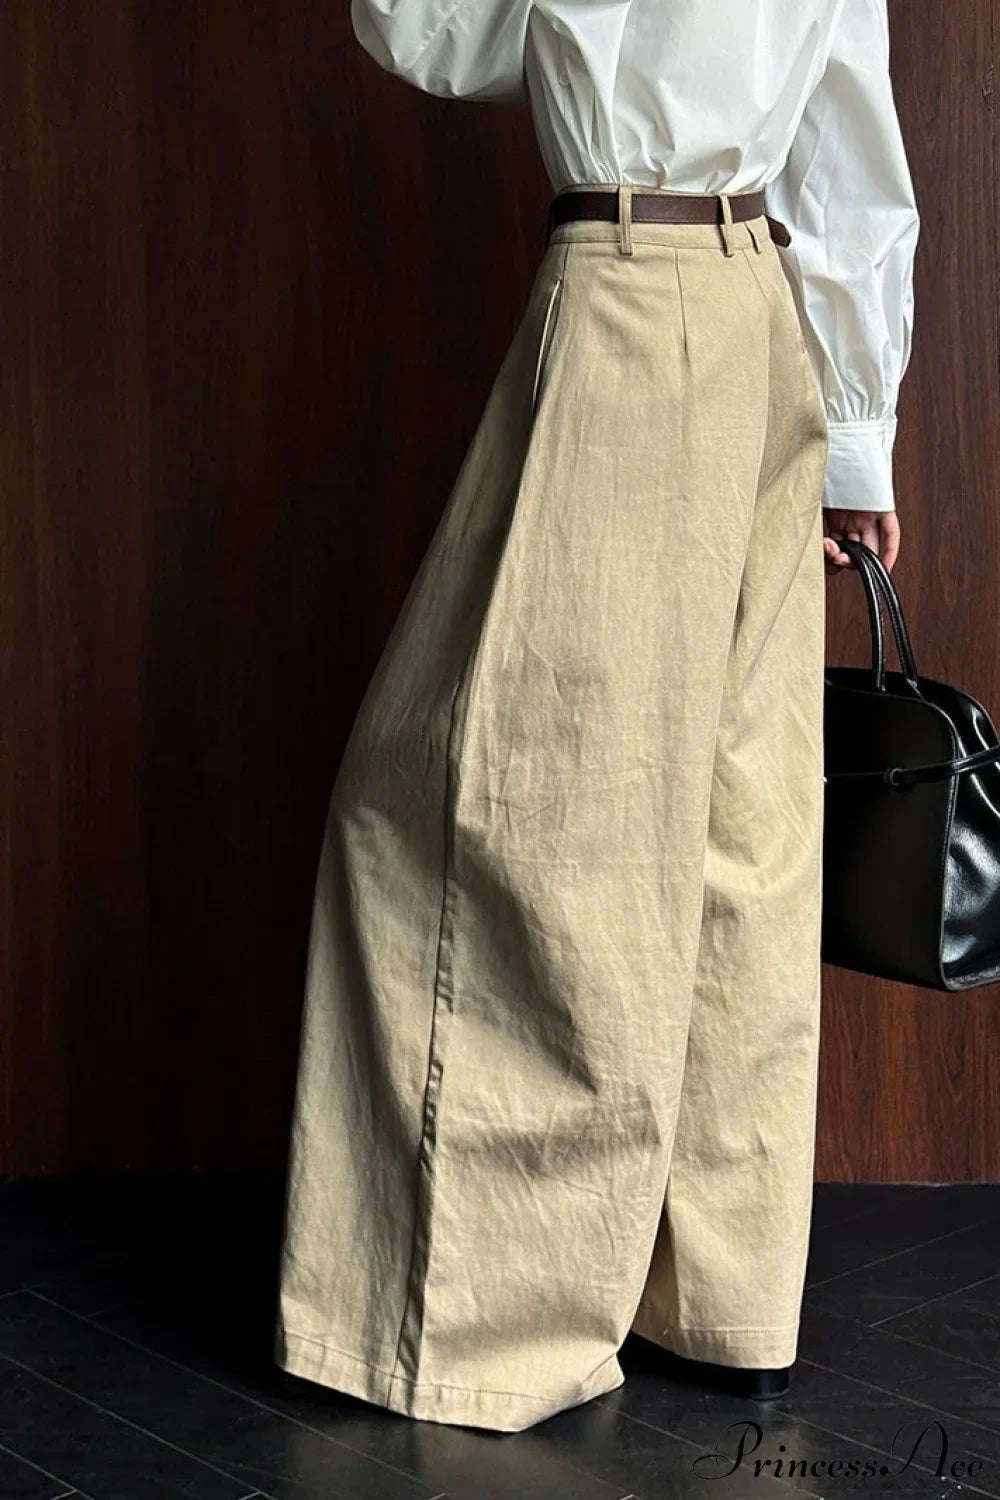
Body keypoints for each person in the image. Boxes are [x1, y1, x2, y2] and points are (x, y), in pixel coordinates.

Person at [273, 0, 920, 1434]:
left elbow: (423, 32)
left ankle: (491, 1317)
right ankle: (722, 1291)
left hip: (630, 297)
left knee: (524, 805)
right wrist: (858, 431)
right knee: (739, 826)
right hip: (766, 309)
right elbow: (847, 123)